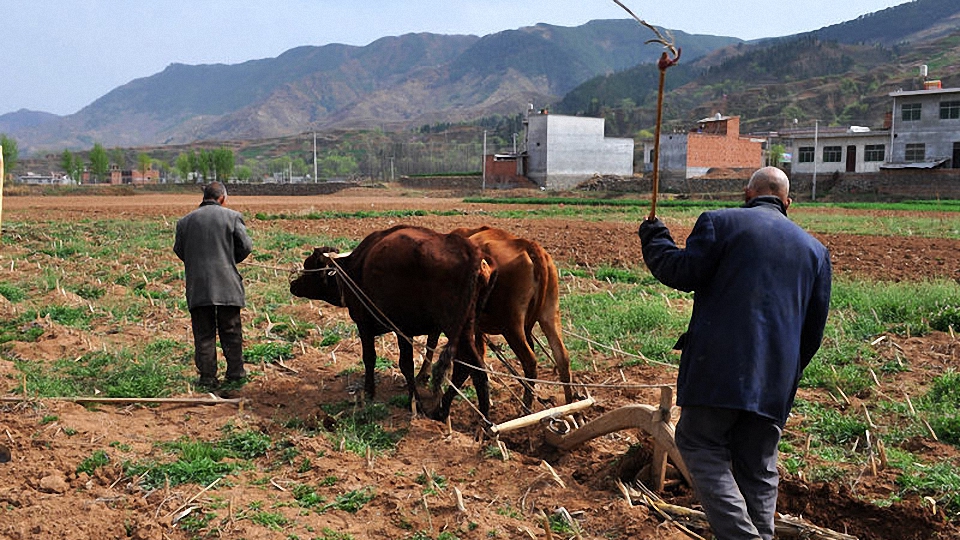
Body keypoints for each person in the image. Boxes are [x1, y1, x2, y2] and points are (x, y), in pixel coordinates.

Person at [638, 166, 832, 540]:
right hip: (775, 383)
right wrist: (784, 371)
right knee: (758, 470)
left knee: (699, 444)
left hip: (717, 373)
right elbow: (812, 333)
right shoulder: (816, 252)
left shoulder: (719, 223)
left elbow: (680, 271)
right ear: (788, 202)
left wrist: (654, 235)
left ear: (748, 193)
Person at [174, 181, 253, 390]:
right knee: (231, 330)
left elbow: (180, 250)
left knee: (203, 333)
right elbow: (246, 246)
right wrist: (228, 259)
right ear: (222, 198)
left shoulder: (184, 222)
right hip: (227, 284)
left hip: (198, 286)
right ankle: (236, 375)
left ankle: (208, 378)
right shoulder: (232, 217)